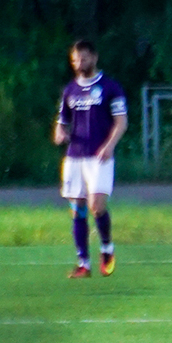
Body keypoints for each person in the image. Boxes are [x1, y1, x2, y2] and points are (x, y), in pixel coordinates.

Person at [54, 40, 127, 278]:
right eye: (75, 59)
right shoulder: (70, 90)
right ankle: (83, 263)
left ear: (94, 58)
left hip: (99, 156)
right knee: (77, 209)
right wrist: (60, 133)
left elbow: (121, 122)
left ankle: (106, 247)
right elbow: (62, 122)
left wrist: (109, 145)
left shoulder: (110, 87)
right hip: (75, 156)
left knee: (97, 207)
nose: (78, 63)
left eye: (83, 58)